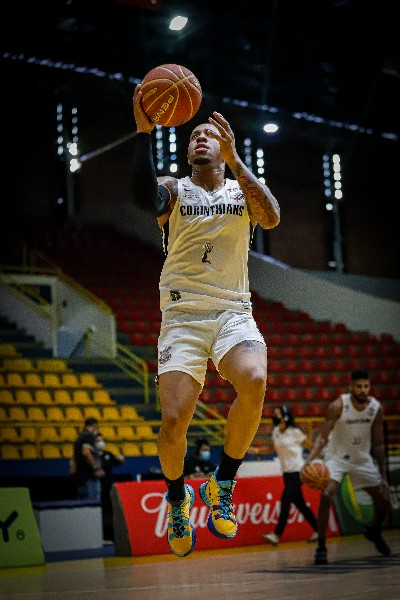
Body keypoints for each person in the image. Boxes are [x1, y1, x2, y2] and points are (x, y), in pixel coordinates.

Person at [131, 84, 281, 558]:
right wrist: (142, 134)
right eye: (193, 134)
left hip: (233, 310)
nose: (199, 138)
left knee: (255, 379)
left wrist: (238, 159)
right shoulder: (176, 190)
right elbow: (142, 194)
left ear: (223, 146)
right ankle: (178, 500)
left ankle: (222, 484)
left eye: (208, 134)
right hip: (182, 315)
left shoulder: (242, 191)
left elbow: (273, 218)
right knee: (174, 421)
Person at [302, 369, 391, 565]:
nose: (362, 390)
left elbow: (378, 444)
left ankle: (375, 532)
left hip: (361, 459)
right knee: (326, 495)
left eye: (366, 386)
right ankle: (322, 547)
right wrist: (309, 460)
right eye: (358, 386)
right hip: (337, 458)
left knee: (384, 499)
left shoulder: (375, 408)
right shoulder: (338, 406)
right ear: (351, 386)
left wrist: (383, 476)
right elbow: (323, 436)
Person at [262, 405, 319, 545]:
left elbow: (311, 446)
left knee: (285, 501)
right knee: (300, 504)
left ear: (285, 416)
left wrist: (314, 461)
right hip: (286, 474)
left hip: (298, 472)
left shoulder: (295, 432)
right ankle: (319, 529)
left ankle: (277, 534)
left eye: (277, 413)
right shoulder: (275, 431)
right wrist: (255, 450)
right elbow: (272, 448)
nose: (275, 416)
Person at [94, 432, 125, 541]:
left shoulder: (108, 454)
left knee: (111, 510)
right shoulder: (93, 456)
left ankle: (112, 534)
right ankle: (99, 535)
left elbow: (117, 462)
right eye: (98, 441)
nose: (100, 443)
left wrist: (121, 460)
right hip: (98, 487)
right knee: (100, 511)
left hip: (109, 487)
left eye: (101, 440)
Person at [72, 417, 105, 502]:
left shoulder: (79, 437)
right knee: (92, 504)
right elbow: (86, 453)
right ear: (93, 426)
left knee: (83, 506)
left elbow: (73, 457)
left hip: (80, 476)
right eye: (96, 427)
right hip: (89, 477)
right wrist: (96, 468)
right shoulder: (88, 436)